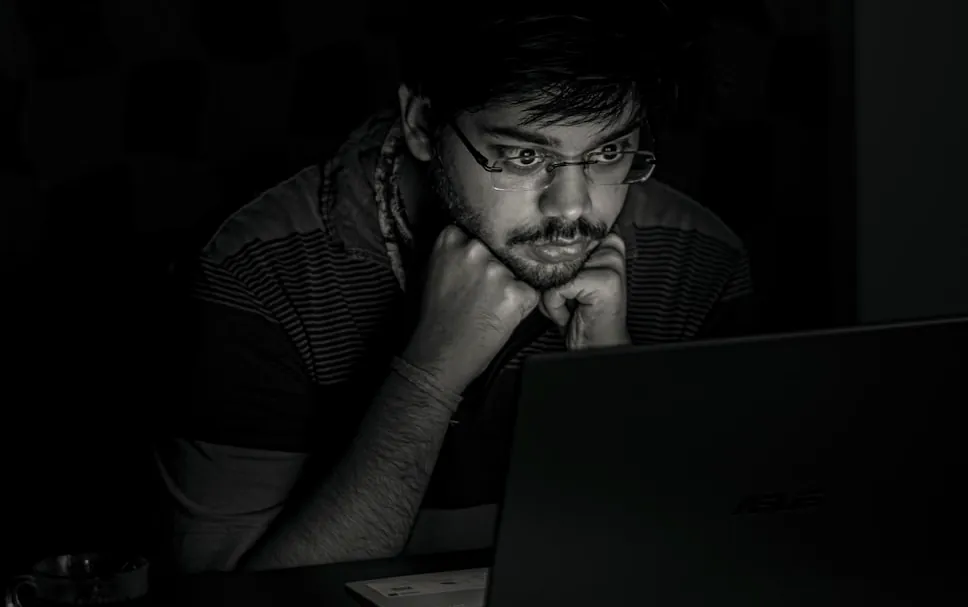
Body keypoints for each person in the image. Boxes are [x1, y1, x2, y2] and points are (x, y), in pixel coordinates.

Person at [155, 7, 756, 574]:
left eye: (607, 152)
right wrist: (428, 379)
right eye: (524, 155)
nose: (573, 208)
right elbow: (231, 601)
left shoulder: (699, 261)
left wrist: (611, 385)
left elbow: (726, 566)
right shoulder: (259, 274)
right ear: (422, 126)